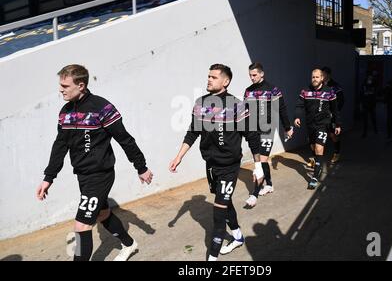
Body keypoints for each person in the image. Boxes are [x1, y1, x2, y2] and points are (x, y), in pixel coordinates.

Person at [36, 64, 153, 261]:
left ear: (80, 85)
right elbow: (60, 146)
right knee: (102, 214)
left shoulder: (102, 108)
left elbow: (125, 139)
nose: (60, 89)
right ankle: (129, 244)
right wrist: (49, 177)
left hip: (100, 174)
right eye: (60, 85)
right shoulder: (65, 112)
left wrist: (141, 167)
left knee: (81, 226)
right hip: (82, 175)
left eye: (65, 85)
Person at [169, 64, 263, 261]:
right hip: (211, 165)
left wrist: (258, 165)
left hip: (229, 166)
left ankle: (212, 258)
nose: (209, 80)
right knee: (224, 202)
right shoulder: (200, 103)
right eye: (208, 76)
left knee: (219, 211)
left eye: (213, 77)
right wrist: (179, 157)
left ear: (225, 81)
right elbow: (193, 132)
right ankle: (237, 236)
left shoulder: (237, 105)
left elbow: (252, 136)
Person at [243, 63, 294, 207]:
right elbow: (244, 112)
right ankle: (269, 185)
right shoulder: (248, 91)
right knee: (261, 161)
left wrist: (287, 127)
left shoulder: (273, 90)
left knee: (259, 162)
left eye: (254, 75)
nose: (252, 78)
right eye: (250, 75)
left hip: (267, 130)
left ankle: (253, 195)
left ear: (262, 74)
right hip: (253, 131)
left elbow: (282, 108)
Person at [294, 69, 341, 189]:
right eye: (313, 77)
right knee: (313, 147)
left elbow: (335, 109)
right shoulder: (305, 91)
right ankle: (317, 162)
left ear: (322, 78)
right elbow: (299, 105)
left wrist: (337, 124)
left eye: (317, 77)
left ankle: (315, 176)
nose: (314, 79)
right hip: (310, 125)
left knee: (319, 148)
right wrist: (297, 117)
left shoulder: (329, 92)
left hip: (323, 124)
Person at [321, 66, 344, 164]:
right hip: (321, 115)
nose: (321, 76)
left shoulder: (335, 86)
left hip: (331, 115)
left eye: (323, 74)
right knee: (319, 134)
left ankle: (337, 153)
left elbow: (341, 100)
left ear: (328, 75)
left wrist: (334, 112)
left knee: (333, 135)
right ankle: (316, 157)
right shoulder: (319, 85)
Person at [360, 72, 378, 138]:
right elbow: (361, 94)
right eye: (369, 77)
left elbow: (375, 93)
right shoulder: (364, 84)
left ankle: (375, 129)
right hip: (366, 103)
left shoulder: (374, 84)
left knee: (373, 117)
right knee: (365, 119)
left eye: (371, 78)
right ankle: (365, 132)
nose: (370, 79)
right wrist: (361, 103)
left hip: (371, 103)